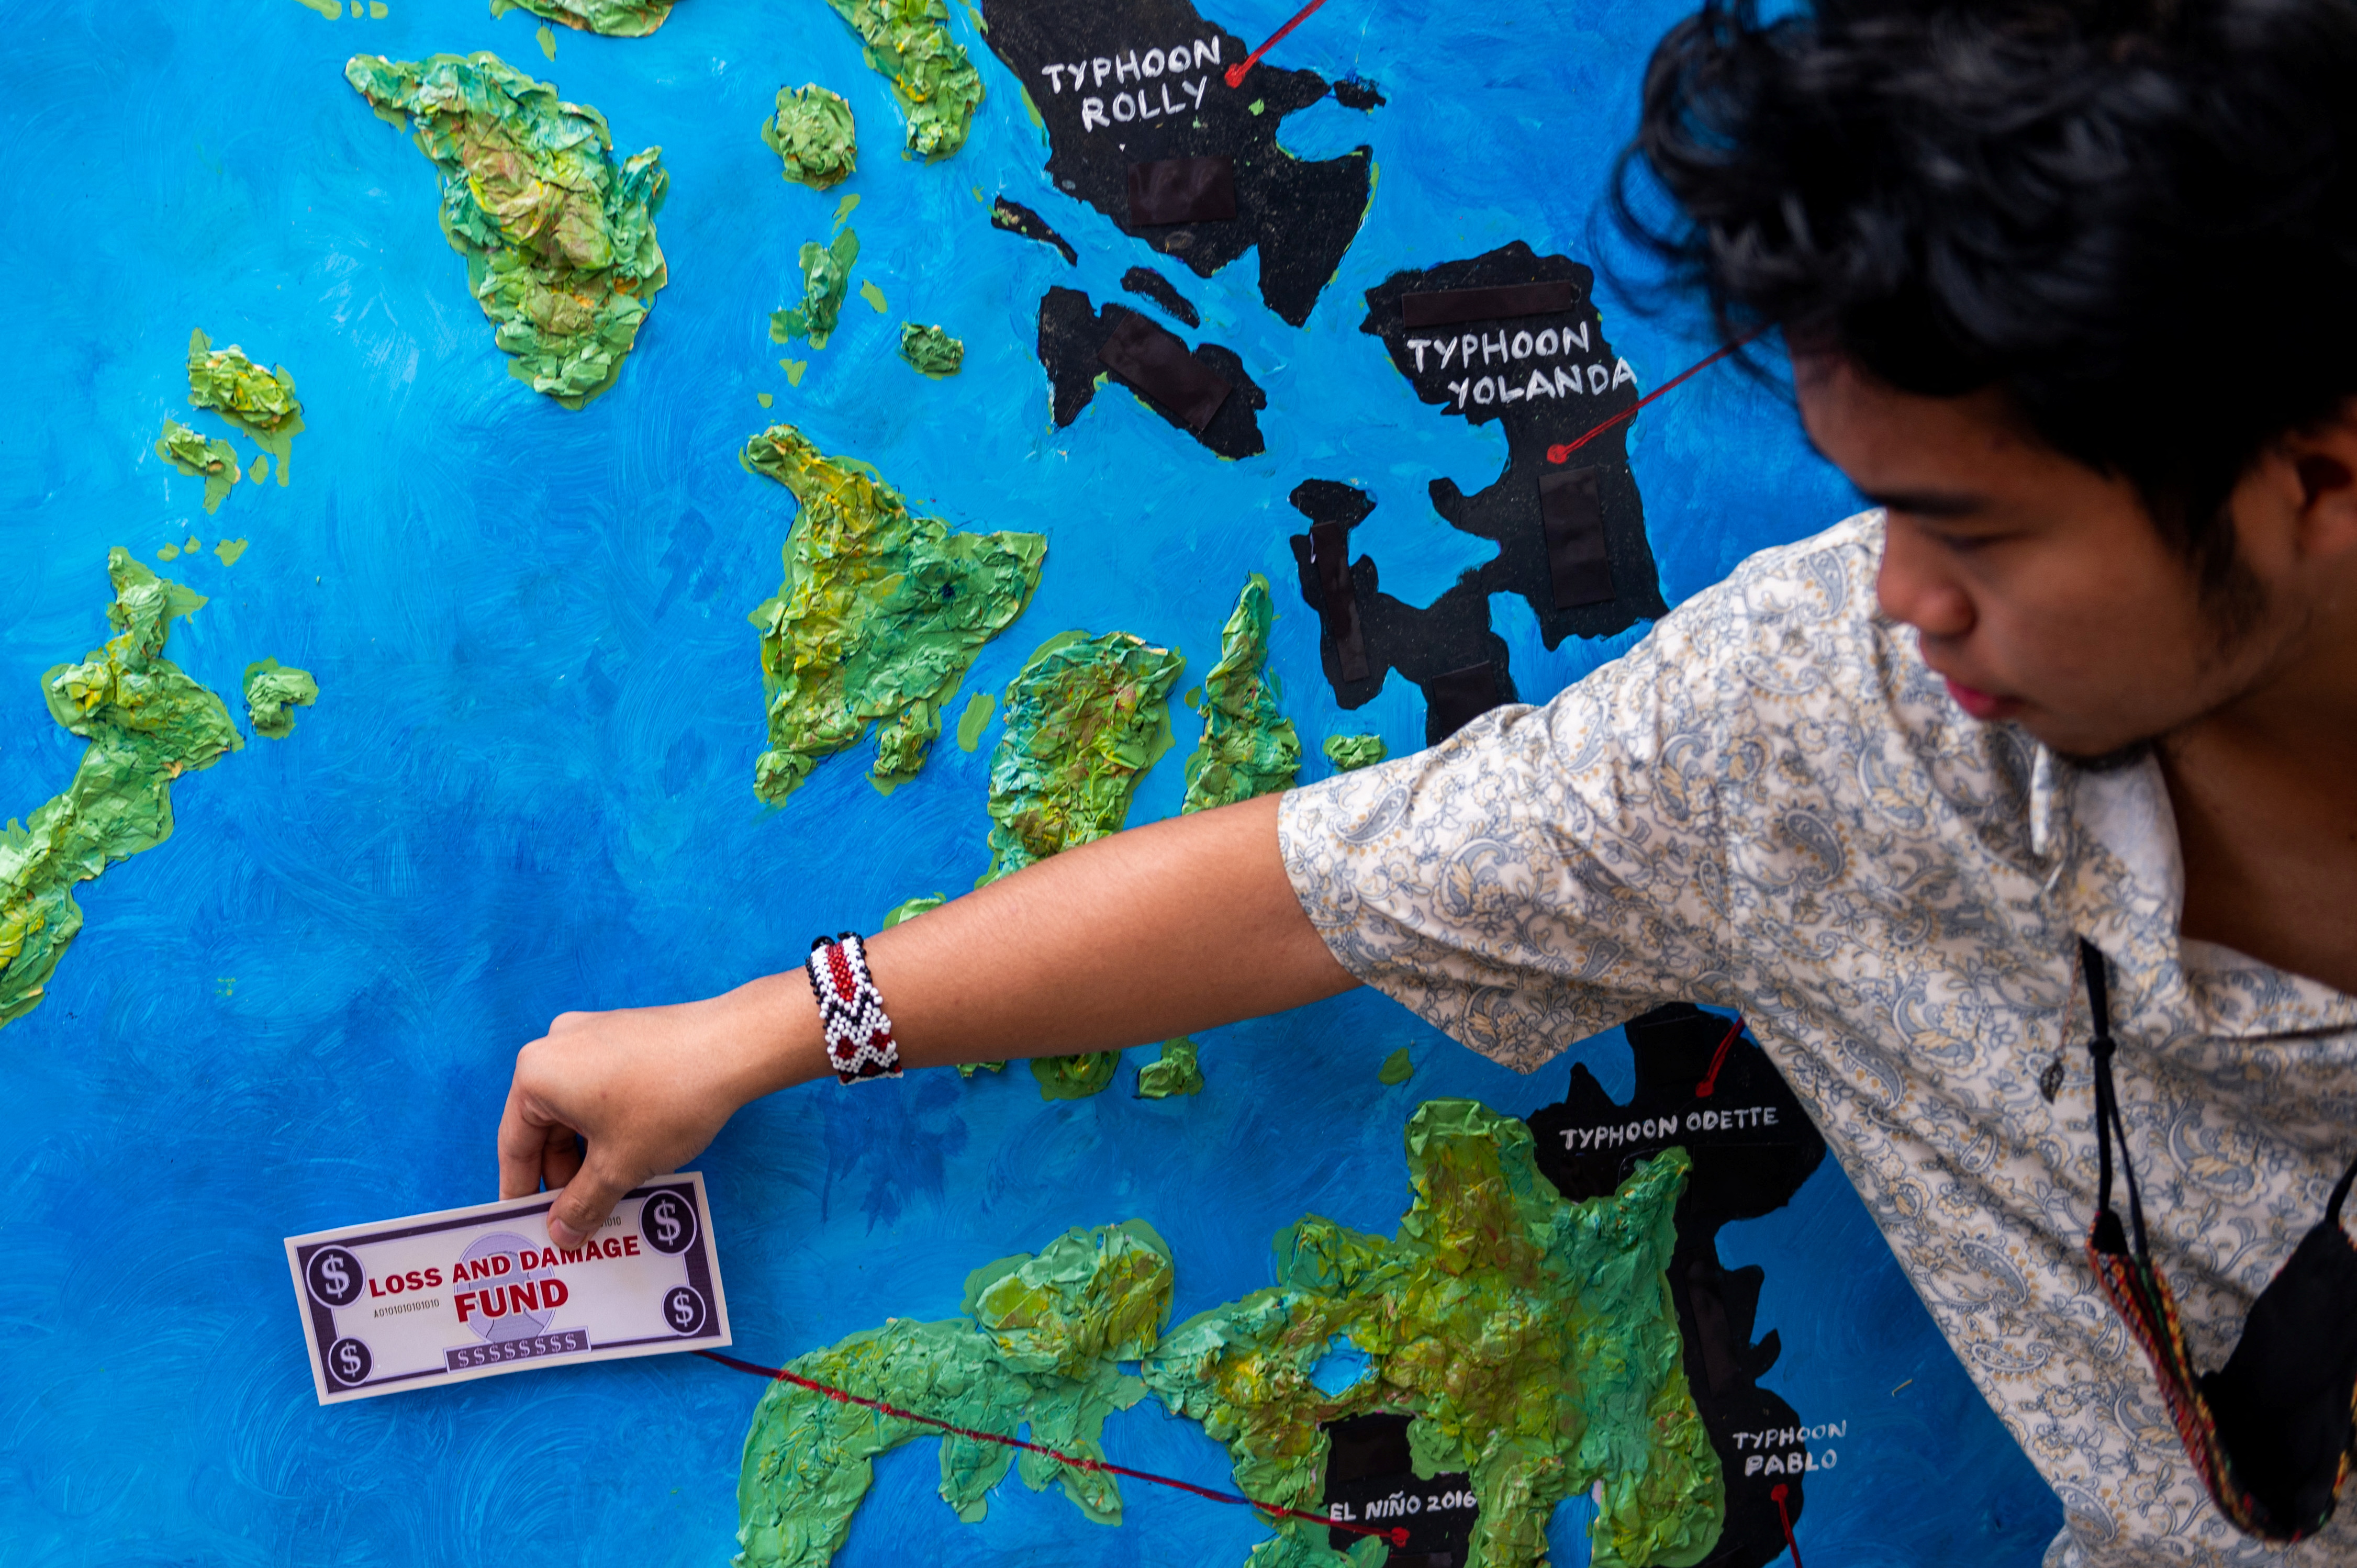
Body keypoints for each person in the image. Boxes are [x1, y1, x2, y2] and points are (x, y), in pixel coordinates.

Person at [497, 1, 2357, 1562]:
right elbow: (1308, 884)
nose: (1895, 594)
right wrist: (756, 1028)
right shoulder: (1829, 725)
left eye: (1976, 527)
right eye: (1877, 499)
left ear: (2318, 471)